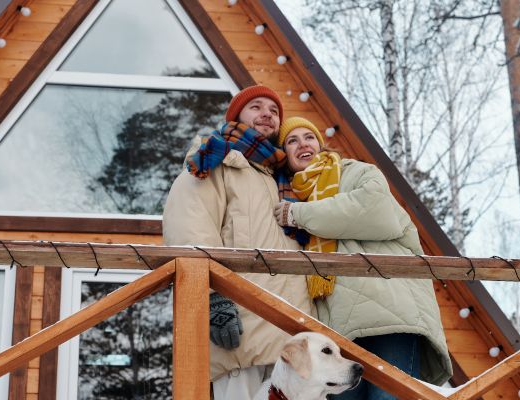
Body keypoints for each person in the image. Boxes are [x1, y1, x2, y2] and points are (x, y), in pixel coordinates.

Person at [273, 117, 452, 400]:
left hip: (390, 312)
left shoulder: (353, 172)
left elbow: (374, 210)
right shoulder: (289, 195)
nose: (302, 144)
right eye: (291, 141)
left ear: (320, 145)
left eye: (309, 136)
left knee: (387, 398)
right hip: (336, 329)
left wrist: (300, 215)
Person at [163, 86, 314, 400]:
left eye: (273, 111)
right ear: (236, 117)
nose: (266, 115)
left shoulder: (285, 179)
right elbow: (190, 230)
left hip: (291, 342)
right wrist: (212, 298)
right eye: (256, 107)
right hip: (239, 334)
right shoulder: (214, 159)